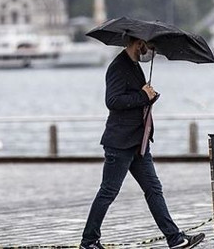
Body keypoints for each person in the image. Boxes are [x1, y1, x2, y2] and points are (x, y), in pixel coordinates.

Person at [80, 36, 204, 249]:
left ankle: (175, 239)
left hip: (138, 142)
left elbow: (136, 98)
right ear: (137, 42)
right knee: (108, 191)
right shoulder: (118, 67)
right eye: (147, 44)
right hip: (120, 143)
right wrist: (142, 96)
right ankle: (88, 241)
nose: (149, 49)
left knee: (154, 189)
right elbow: (113, 101)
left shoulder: (134, 65)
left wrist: (149, 97)